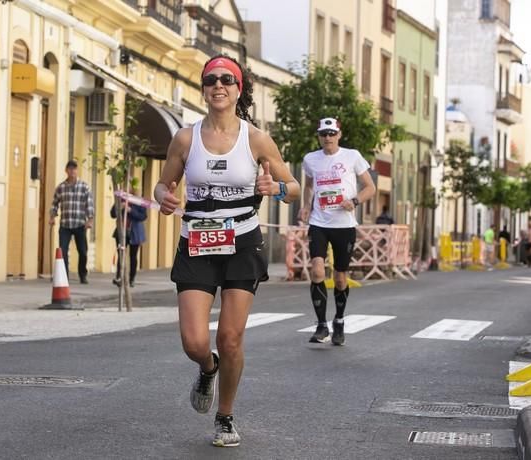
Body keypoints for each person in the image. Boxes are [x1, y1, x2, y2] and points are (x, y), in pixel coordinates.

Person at [154, 54, 300, 447]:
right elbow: (163, 184)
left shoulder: (256, 139)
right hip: (197, 242)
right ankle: (207, 368)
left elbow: (294, 188)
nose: (218, 86)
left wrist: (277, 189)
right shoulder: (186, 138)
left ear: (238, 90)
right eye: (210, 80)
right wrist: (164, 197)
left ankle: (225, 416)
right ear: (203, 89)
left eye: (227, 80)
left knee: (231, 338)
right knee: (195, 342)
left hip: (242, 243)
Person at [297, 117, 376, 346]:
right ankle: (322, 326)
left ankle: (339, 320)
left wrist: (355, 201)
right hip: (319, 222)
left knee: (341, 278)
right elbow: (310, 186)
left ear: (339, 135)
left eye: (332, 133)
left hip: (344, 225)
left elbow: (370, 187)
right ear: (319, 136)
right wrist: (305, 206)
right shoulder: (310, 159)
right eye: (324, 134)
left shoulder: (352, 156)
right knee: (317, 270)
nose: (328, 138)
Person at [49, 160, 94, 284]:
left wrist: (90, 220)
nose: (72, 171)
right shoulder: (61, 187)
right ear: (66, 171)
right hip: (65, 224)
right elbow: (55, 203)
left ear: (77, 170)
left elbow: (89, 204)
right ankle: (64, 276)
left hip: (80, 224)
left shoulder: (84, 187)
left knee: (83, 252)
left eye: (74, 169)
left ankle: (83, 274)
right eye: (70, 169)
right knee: (63, 251)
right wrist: (52, 217)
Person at [110, 199, 147, 288]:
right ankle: (119, 277)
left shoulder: (139, 201)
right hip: (122, 231)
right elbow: (113, 214)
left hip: (135, 232)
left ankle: (131, 279)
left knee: (133, 256)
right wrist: (119, 207)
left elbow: (143, 216)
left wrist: (131, 210)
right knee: (121, 255)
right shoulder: (121, 199)